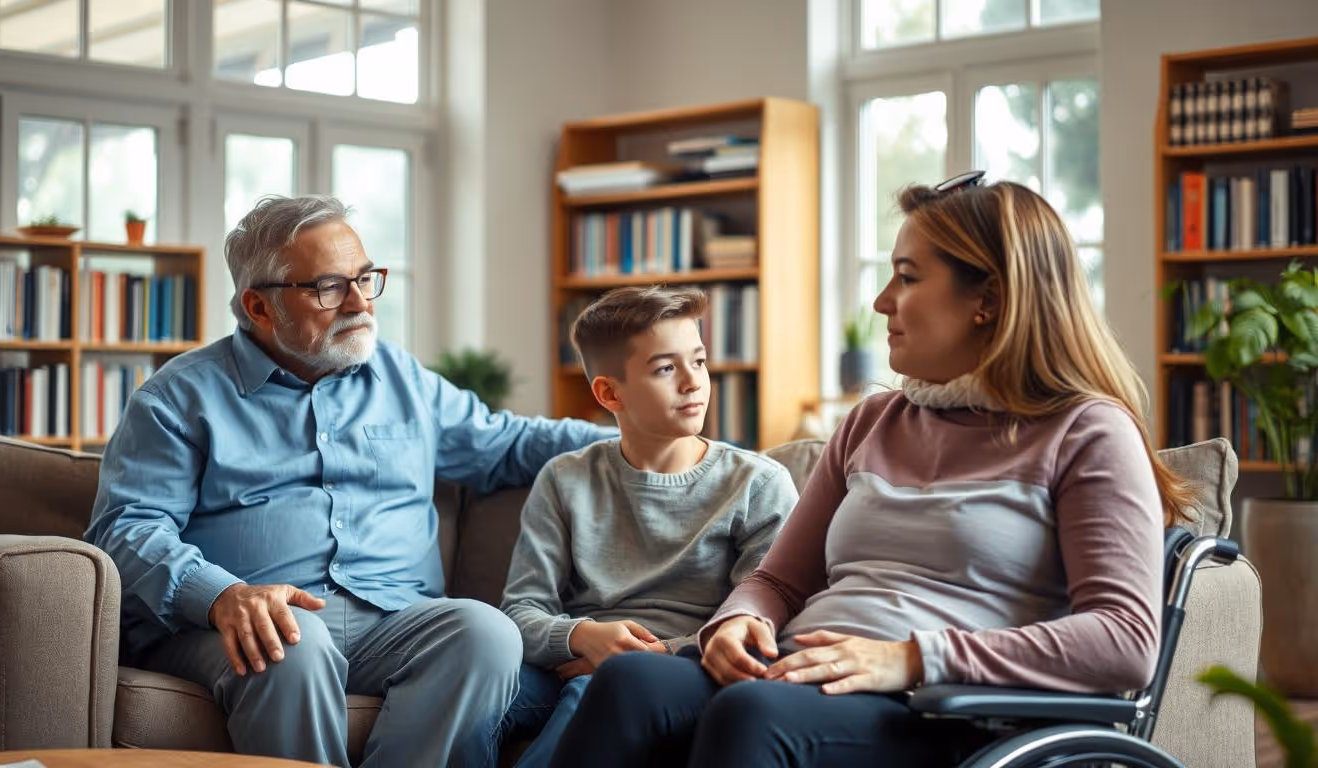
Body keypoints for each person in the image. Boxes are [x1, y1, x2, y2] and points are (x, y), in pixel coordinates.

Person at [550, 173, 1197, 768]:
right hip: (809, 670)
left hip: (949, 709)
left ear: (989, 299)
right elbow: (779, 579)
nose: (883, 301)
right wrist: (739, 620)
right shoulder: (875, 420)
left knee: (755, 713)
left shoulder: (1087, 431)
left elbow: (1124, 640)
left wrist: (910, 658)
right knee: (632, 681)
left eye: (908, 278)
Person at [85, 195, 615, 768]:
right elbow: (126, 527)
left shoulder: (403, 378)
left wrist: (639, 431)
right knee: (288, 643)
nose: (361, 302)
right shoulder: (178, 398)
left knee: (485, 632)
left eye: (366, 278)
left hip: (394, 620)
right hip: (237, 621)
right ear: (259, 307)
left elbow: (507, 443)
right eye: (330, 288)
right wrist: (221, 595)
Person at [498, 286, 799, 767]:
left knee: (595, 688)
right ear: (609, 392)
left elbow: (767, 614)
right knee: (478, 687)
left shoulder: (757, 483)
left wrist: (649, 652)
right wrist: (583, 637)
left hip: (679, 668)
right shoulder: (565, 478)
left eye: (698, 362)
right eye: (665, 368)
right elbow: (520, 609)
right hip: (570, 663)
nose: (693, 382)